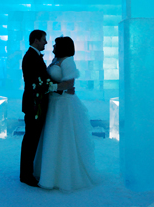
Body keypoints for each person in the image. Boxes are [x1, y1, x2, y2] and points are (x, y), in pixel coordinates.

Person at [34, 36, 99, 192]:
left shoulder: (68, 61)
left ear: (62, 46)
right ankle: (48, 172)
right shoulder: (56, 59)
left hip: (63, 104)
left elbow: (70, 83)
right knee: (52, 135)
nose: (53, 45)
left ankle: (64, 175)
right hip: (54, 102)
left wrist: (50, 88)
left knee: (63, 136)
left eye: (56, 44)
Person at [20, 30, 74, 187]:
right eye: (44, 40)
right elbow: (37, 83)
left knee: (32, 139)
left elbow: (43, 80)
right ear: (36, 40)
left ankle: (27, 172)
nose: (46, 43)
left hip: (39, 103)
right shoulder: (31, 57)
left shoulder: (34, 56)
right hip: (34, 105)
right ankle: (26, 175)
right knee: (30, 140)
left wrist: (62, 87)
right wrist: (59, 88)